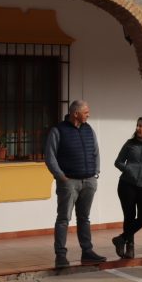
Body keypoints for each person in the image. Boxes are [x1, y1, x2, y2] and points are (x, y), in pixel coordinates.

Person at [45, 100, 106, 269]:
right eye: (86, 112)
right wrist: (61, 176)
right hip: (69, 182)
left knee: (84, 218)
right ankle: (60, 255)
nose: (88, 115)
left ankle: (87, 251)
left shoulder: (88, 129)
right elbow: (50, 157)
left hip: (89, 181)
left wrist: (96, 173)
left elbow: (96, 152)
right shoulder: (58, 130)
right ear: (75, 113)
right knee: (63, 219)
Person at [112, 116, 142, 260]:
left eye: (141, 126)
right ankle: (130, 248)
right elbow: (118, 162)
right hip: (127, 184)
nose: (138, 128)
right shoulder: (130, 144)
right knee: (129, 216)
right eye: (137, 125)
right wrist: (129, 170)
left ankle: (121, 239)